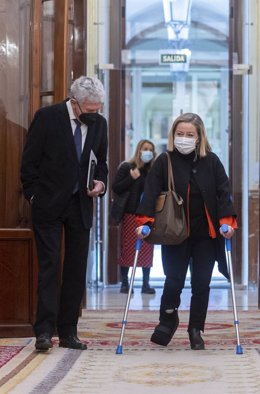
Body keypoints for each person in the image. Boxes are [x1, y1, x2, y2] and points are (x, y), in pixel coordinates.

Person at [21, 76, 108, 351]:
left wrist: (101, 184)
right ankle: (44, 331)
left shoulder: (100, 124)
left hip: (80, 204)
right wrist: (33, 196)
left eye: (98, 109)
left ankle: (69, 330)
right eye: (90, 110)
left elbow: (102, 162)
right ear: (74, 103)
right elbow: (29, 162)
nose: (95, 115)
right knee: (49, 268)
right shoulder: (47, 117)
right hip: (48, 204)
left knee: (76, 268)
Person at [136, 113, 237, 350]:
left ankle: (195, 329)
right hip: (175, 235)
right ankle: (168, 318)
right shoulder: (164, 161)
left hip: (205, 236)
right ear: (173, 135)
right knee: (173, 282)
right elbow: (150, 193)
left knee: (202, 284)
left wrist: (227, 223)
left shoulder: (211, 161)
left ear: (199, 137)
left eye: (189, 134)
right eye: (180, 134)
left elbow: (223, 193)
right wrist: (145, 222)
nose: (184, 138)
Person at [112, 139, 156, 294]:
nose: (148, 152)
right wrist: (131, 177)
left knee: (147, 249)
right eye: (145, 148)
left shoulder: (152, 171)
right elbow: (116, 188)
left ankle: (145, 284)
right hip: (130, 214)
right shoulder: (127, 167)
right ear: (139, 150)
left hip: (147, 216)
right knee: (128, 249)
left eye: (150, 149)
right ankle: (125, 283)